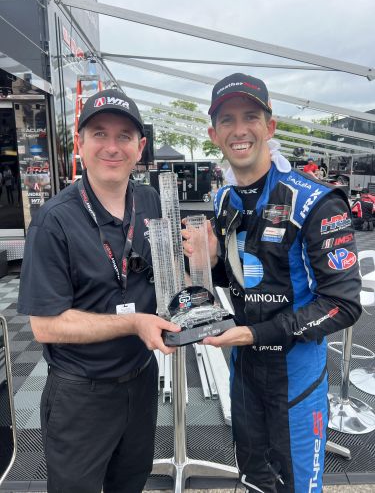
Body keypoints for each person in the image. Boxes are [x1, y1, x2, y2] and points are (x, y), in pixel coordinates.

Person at [183, 73, 361, 493]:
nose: (239, 129)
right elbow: (243, 275)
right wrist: (210, 264)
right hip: (243, 373)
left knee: (298, 486)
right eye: (227, 120)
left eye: (250, 116)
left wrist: (256, 332)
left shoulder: (315, 200)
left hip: (295, 378)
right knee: (254, 481)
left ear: (270, 126)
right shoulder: (225, 199)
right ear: (214, 133)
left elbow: (343, 303)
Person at [17, 88, 180, 493]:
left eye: (124, 136)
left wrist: (200, 258)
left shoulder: (152, 201)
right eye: (99, 134)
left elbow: (170, 273)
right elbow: (46, 327)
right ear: (80, 144)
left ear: (139, 148)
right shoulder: (54, 221)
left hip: (141, 380)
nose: (112, 146)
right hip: (81, 393)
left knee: (131, 481)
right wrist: (134, 323)